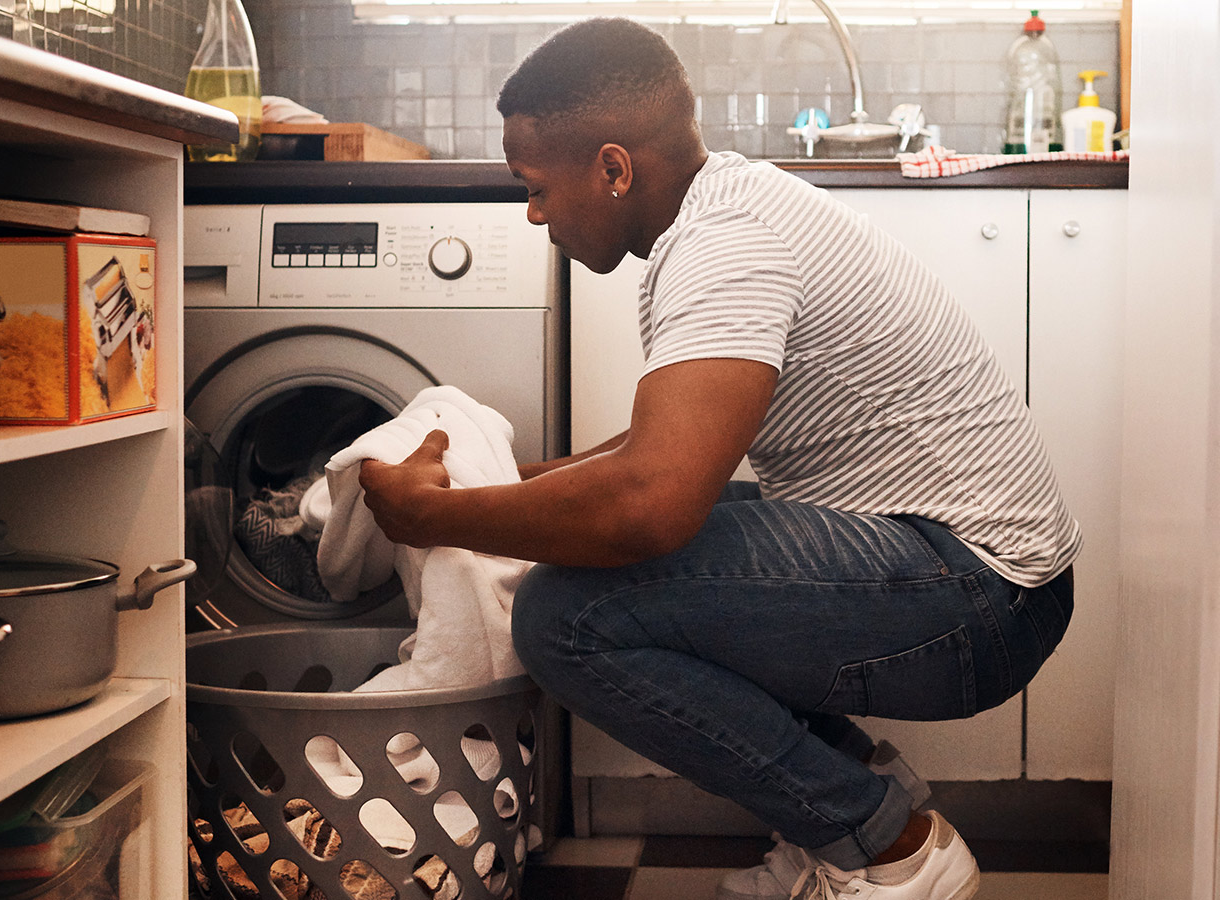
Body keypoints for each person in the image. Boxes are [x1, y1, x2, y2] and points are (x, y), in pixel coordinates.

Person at [357, 18, 1080, 900]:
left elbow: (650, 503)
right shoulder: (727, 207)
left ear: (614, 168)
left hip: (982, 597)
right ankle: (864, 818)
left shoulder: (724, 245)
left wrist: (429, 514)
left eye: (537, 188)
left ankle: (894, 853)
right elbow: (658, 448)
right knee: (648, 547)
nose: (534, 212)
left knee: (566, 615)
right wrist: (505, 489)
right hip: (967, 571)